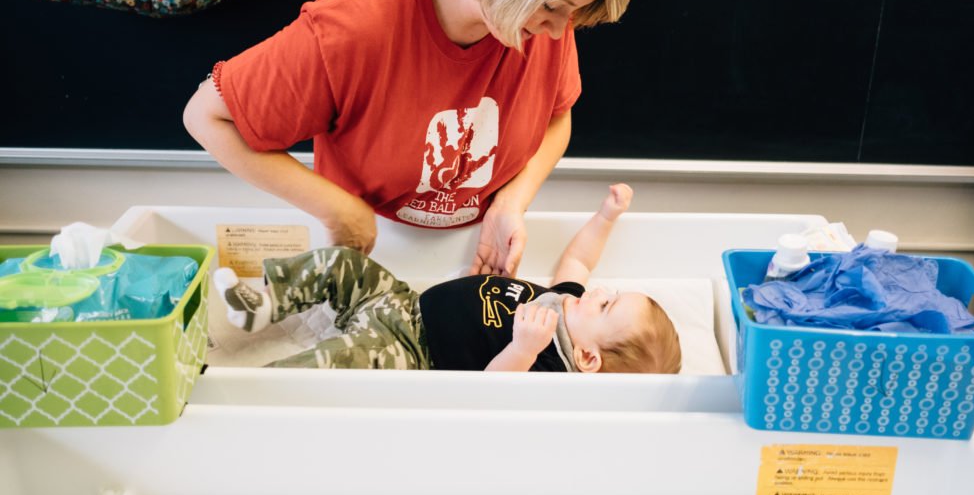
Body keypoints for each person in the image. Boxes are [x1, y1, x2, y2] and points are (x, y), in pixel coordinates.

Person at [183, 0, 634, 277]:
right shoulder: (353, 27)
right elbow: (207, 117)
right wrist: (339, 211)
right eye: (553, 7)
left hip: (474, 247)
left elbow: (558, 115)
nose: (559, 33)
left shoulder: (543, 20)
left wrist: (511, 202)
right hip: (373, 249)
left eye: (573, 13)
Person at [214, 184, 682, 374]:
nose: (600, 293)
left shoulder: (549, 363)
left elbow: (491, 389)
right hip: (404, 302)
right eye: (612, 294)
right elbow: (579, 262)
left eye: (607, 306)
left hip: (411, 350)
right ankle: (265, 303)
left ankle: (258, 385)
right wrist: (607, 216)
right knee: (343, 262)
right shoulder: (566, 302)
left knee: (339, 363)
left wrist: (522, 348)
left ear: (587, 356)